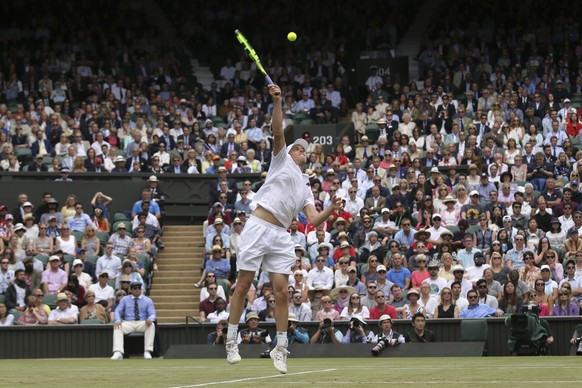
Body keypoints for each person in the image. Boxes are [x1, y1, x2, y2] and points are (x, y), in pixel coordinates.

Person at [225, 83, 341, 374]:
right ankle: (230, 340)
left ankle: (280, 347)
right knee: (242, 286)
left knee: (282, 293)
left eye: (305, 150)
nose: (303, 151)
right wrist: (277, 102)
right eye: (298, 147)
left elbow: (314, 221)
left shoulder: (306, 186)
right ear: (290, 153)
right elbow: (278, 131)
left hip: (281, 236)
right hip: (258, 226)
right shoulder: (280, 160)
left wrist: (332, 208)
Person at [111, 280, 157, 360]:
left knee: (151, 325)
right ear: (131, 290)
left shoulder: (148, 300)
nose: (137, 289)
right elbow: (118, 311)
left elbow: (152, 314)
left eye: (139, 288)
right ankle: (118, 352)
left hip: (142, 322)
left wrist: (150, 319)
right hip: (128, 323)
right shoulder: (125, 299)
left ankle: (147, 351)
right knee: (117, 326)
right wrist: (117, 320)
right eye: (135, 288)